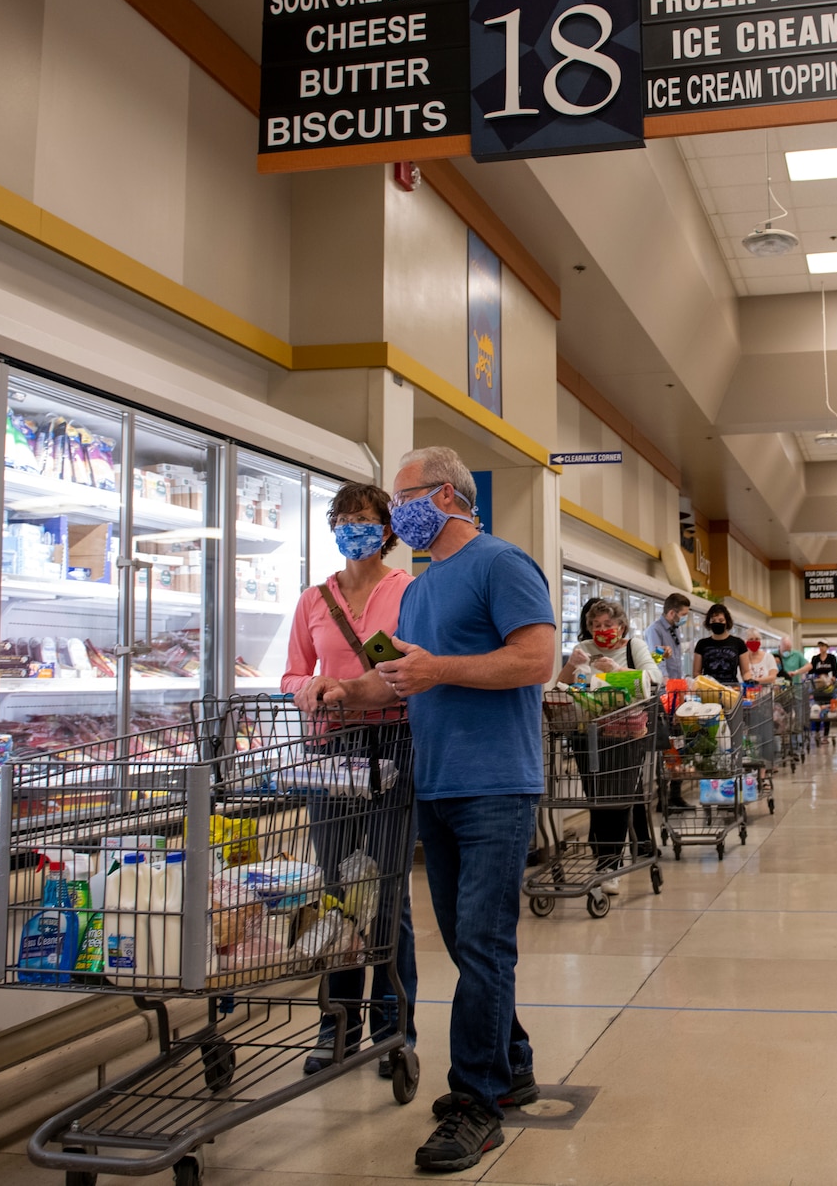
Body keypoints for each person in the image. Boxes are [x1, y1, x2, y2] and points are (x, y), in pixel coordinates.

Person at [323, 446, 556, 1175]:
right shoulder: (420, 590)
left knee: (484, 945)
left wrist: (439, 669)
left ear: (449, 495)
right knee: (464, 941)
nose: (397, 515)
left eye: (405, 498)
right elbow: (405, 679)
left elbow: (536, 659)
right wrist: (348, 692)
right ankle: (511, 1060)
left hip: (496, 784)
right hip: (437, 784)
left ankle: (477, 1099)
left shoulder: (501, 563)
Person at [280, 482, 416, 1078]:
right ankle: (337, 1025)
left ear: (387, 530)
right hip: (330, 750)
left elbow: (412, 664)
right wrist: (306, 689)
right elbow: (290, 673)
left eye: (364, 519)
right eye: (342, 519)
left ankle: (394, 1027)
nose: (352, 528)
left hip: (393, 739)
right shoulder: (314, 599)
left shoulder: (406, 590)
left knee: (386, 890)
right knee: (336, 889)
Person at [557, 597, 656, 891]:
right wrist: (570, 667)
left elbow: (655, 678)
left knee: (617, 797)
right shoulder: (584, 649)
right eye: (596, 625)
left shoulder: (632, 647)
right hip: (587, 733)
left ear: (621, 625)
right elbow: (562, 686)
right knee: (596, 797)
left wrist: (617, 671)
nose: (602, 630)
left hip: (625, 733)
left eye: (608, 624)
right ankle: (604, 858)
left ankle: (610, 863)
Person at [691, 606, 745, 683]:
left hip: (732, 690)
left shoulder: (738, 643)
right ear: (709, 622)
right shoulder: (702, 644)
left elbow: (745, 672)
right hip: (709, 690)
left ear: (727, 621)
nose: (717, 623)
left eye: (721, 620)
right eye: (713, 621)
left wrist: (749, 681)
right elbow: (696, 672)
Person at [644, 591, 692, 678]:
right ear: (671, 613)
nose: (685, 618)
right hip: (663, 686)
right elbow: (656, 659)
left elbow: (677, 658)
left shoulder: (675, 629)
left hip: (676, 683)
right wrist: (665, 679)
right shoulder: (655, 630)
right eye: (683, 615)